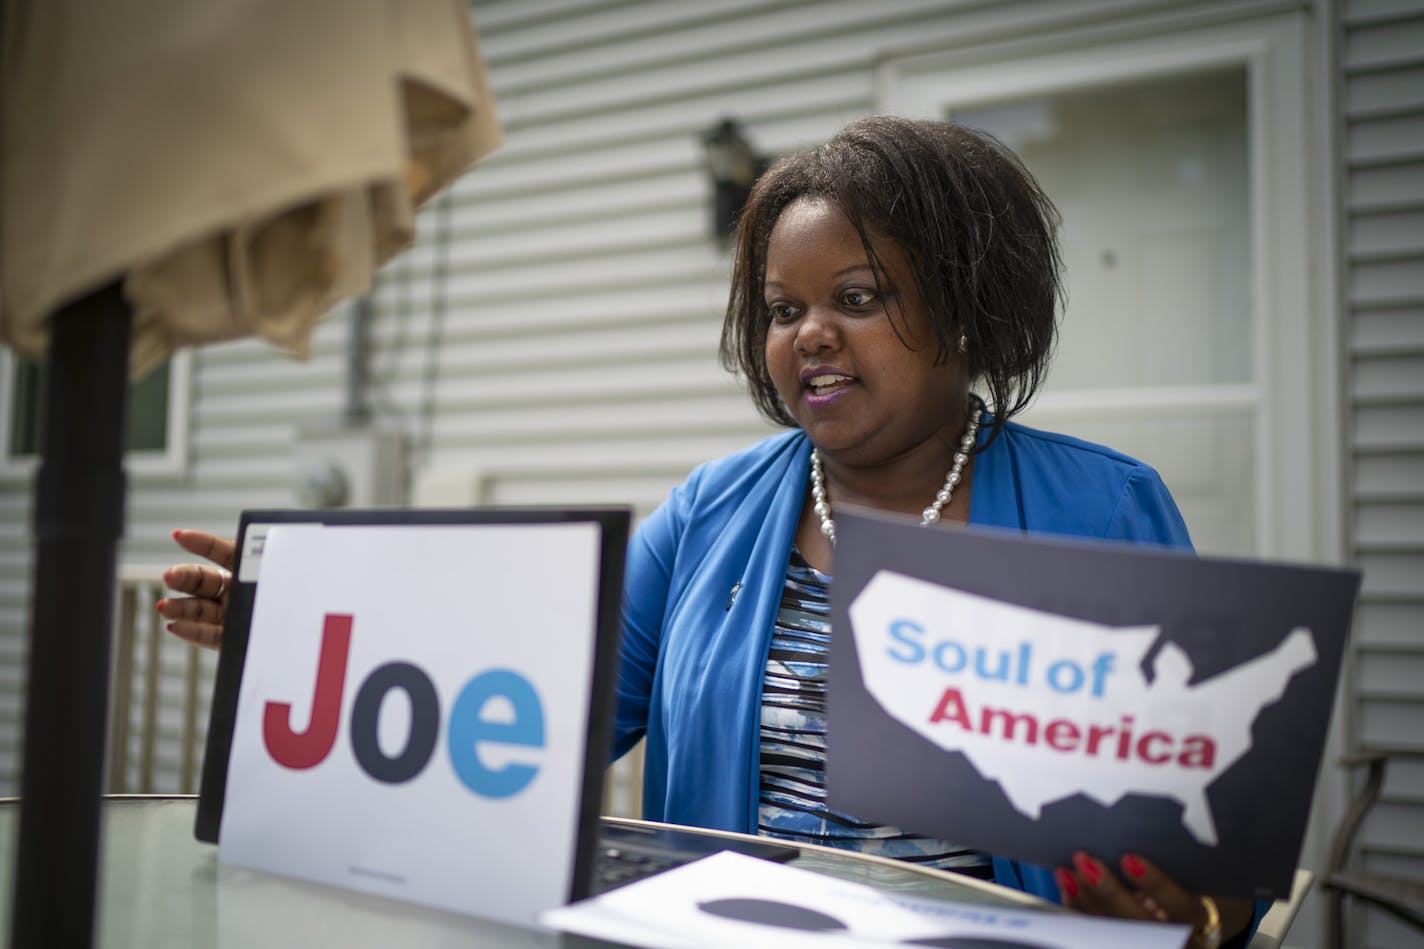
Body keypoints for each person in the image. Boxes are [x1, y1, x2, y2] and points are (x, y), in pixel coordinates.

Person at [160, 115, 1254, 947]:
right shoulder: (711, 510)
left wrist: (1186, 908)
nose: (811, 334)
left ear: (965, 311)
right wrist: (295, 640)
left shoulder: (1101, 509)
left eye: (860, 298)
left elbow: (1215, 858)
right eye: (782, 310)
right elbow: (536, 708)